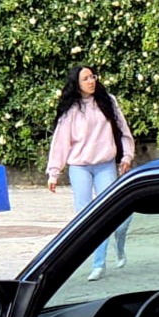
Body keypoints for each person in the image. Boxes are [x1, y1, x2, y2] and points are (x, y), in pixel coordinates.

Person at [46, 64, 135, 281]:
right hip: (80, 166)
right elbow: (61, 141)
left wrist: (127, 156)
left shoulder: (108, 101)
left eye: (92, 76)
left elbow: (123, 130)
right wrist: (54, 172)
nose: (91, 81)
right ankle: (99, 262)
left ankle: (120, 243)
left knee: (115, 214)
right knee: (87, 216)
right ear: (77, 83)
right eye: (85, 78)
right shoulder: (72, 109)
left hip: (105, 164)